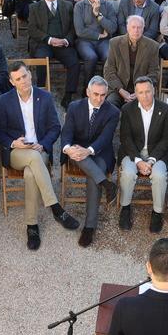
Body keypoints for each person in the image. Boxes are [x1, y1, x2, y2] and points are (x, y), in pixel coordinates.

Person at [0, 61, 82, 248]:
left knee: (30, 173)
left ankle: (32, 226)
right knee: (33, 160)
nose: (23, 81)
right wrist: (14, 143)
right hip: (16, 152)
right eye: (18, 79)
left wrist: (43, 145)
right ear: (12, 82)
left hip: (39, 149)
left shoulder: (44, 97)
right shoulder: (4, 101)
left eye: (24, 76)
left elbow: (55, 127)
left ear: (30, 74)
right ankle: (56, 208)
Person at [59, 77, 121, 246]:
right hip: (76, 152)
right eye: (95, 94)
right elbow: (66, 133)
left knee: (95, 173)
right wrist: (68, 149)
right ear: (87, 92)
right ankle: (106, 184)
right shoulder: (74, 107)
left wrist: (88, 151)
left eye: (103, 95)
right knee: (80, 156)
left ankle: (89, 227)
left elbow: (105, 138)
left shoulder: (113, 112)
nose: (99, 99)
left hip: (100, 152)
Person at [117, 77, 168, 234]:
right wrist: (138, 161)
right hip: (132, 152)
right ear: (135, 93)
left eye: (148, 91)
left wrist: (151, 160)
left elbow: (167, 139)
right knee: (128, 173)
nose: (145, 95)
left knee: (159, 176)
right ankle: (125, 208)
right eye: (140, 92)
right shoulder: (127, 109)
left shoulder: (166, 110)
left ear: (154, 90)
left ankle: (157, 212)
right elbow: (125, 138)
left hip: (157, 153)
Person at [26, 0, 82, 108]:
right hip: (44, 43)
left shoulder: (67, 5)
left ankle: (68, 95)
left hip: (62, 43)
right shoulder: (34, 7)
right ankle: (40, 91)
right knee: (41, 59)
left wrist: (66, 40)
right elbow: (32, 29)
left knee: (74, 62)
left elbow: (73, 28)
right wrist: (49, 40)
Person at [105, 15, 162, 108]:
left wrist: (140, 91)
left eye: (139, 27)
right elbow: (109, 70)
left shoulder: (153, 46)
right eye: (133, 27)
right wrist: (121, 90)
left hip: (142, 90)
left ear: (143, 29)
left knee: (142, 108)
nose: (136, 30)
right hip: (118, 89)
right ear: (127, 28)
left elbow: (154, 73)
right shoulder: (114, 43)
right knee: (110, 105)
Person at [74, 0, 120, 90]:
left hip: (104, 42)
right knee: (91, 57)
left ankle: (107, 90)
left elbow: (112, 28)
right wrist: (99, 35)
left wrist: (98, 15)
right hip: (85, 41)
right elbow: (79, 31)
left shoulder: (108, 5)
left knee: (108, 56)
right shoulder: (79, 6)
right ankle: (87, 90)